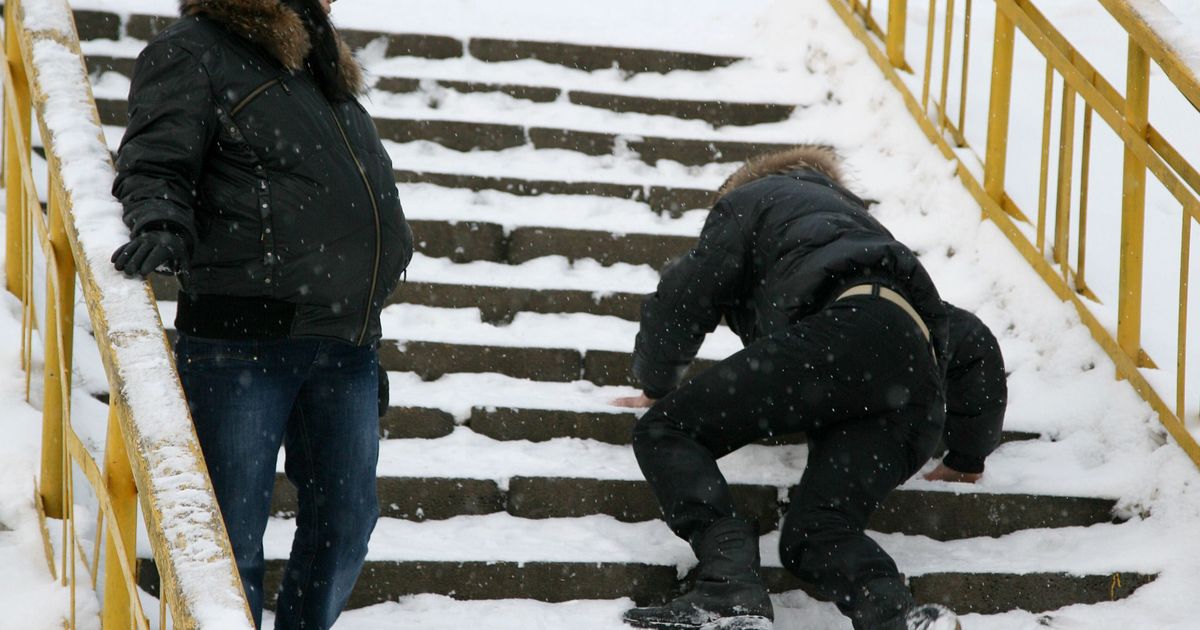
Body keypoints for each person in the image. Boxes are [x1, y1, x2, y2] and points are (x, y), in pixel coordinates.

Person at [110, 0, 412, 628]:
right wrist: (161, 221)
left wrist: (364, 329)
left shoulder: (316, 60)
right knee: (225, 542)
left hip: (344, 343)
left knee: (348, 520)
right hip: (241, 344)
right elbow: (157, 160)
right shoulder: (194, 49)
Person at [613, 146, 964, 630]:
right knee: (814, 532)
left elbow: (683, 294)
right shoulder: (856, 225)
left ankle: (728, 589)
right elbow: (973, 339)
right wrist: (968, 453)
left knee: (666, 431)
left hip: (842, 336)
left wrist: (656, 382)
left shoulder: (750, 200)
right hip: (913, 376)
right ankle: (897, 615)